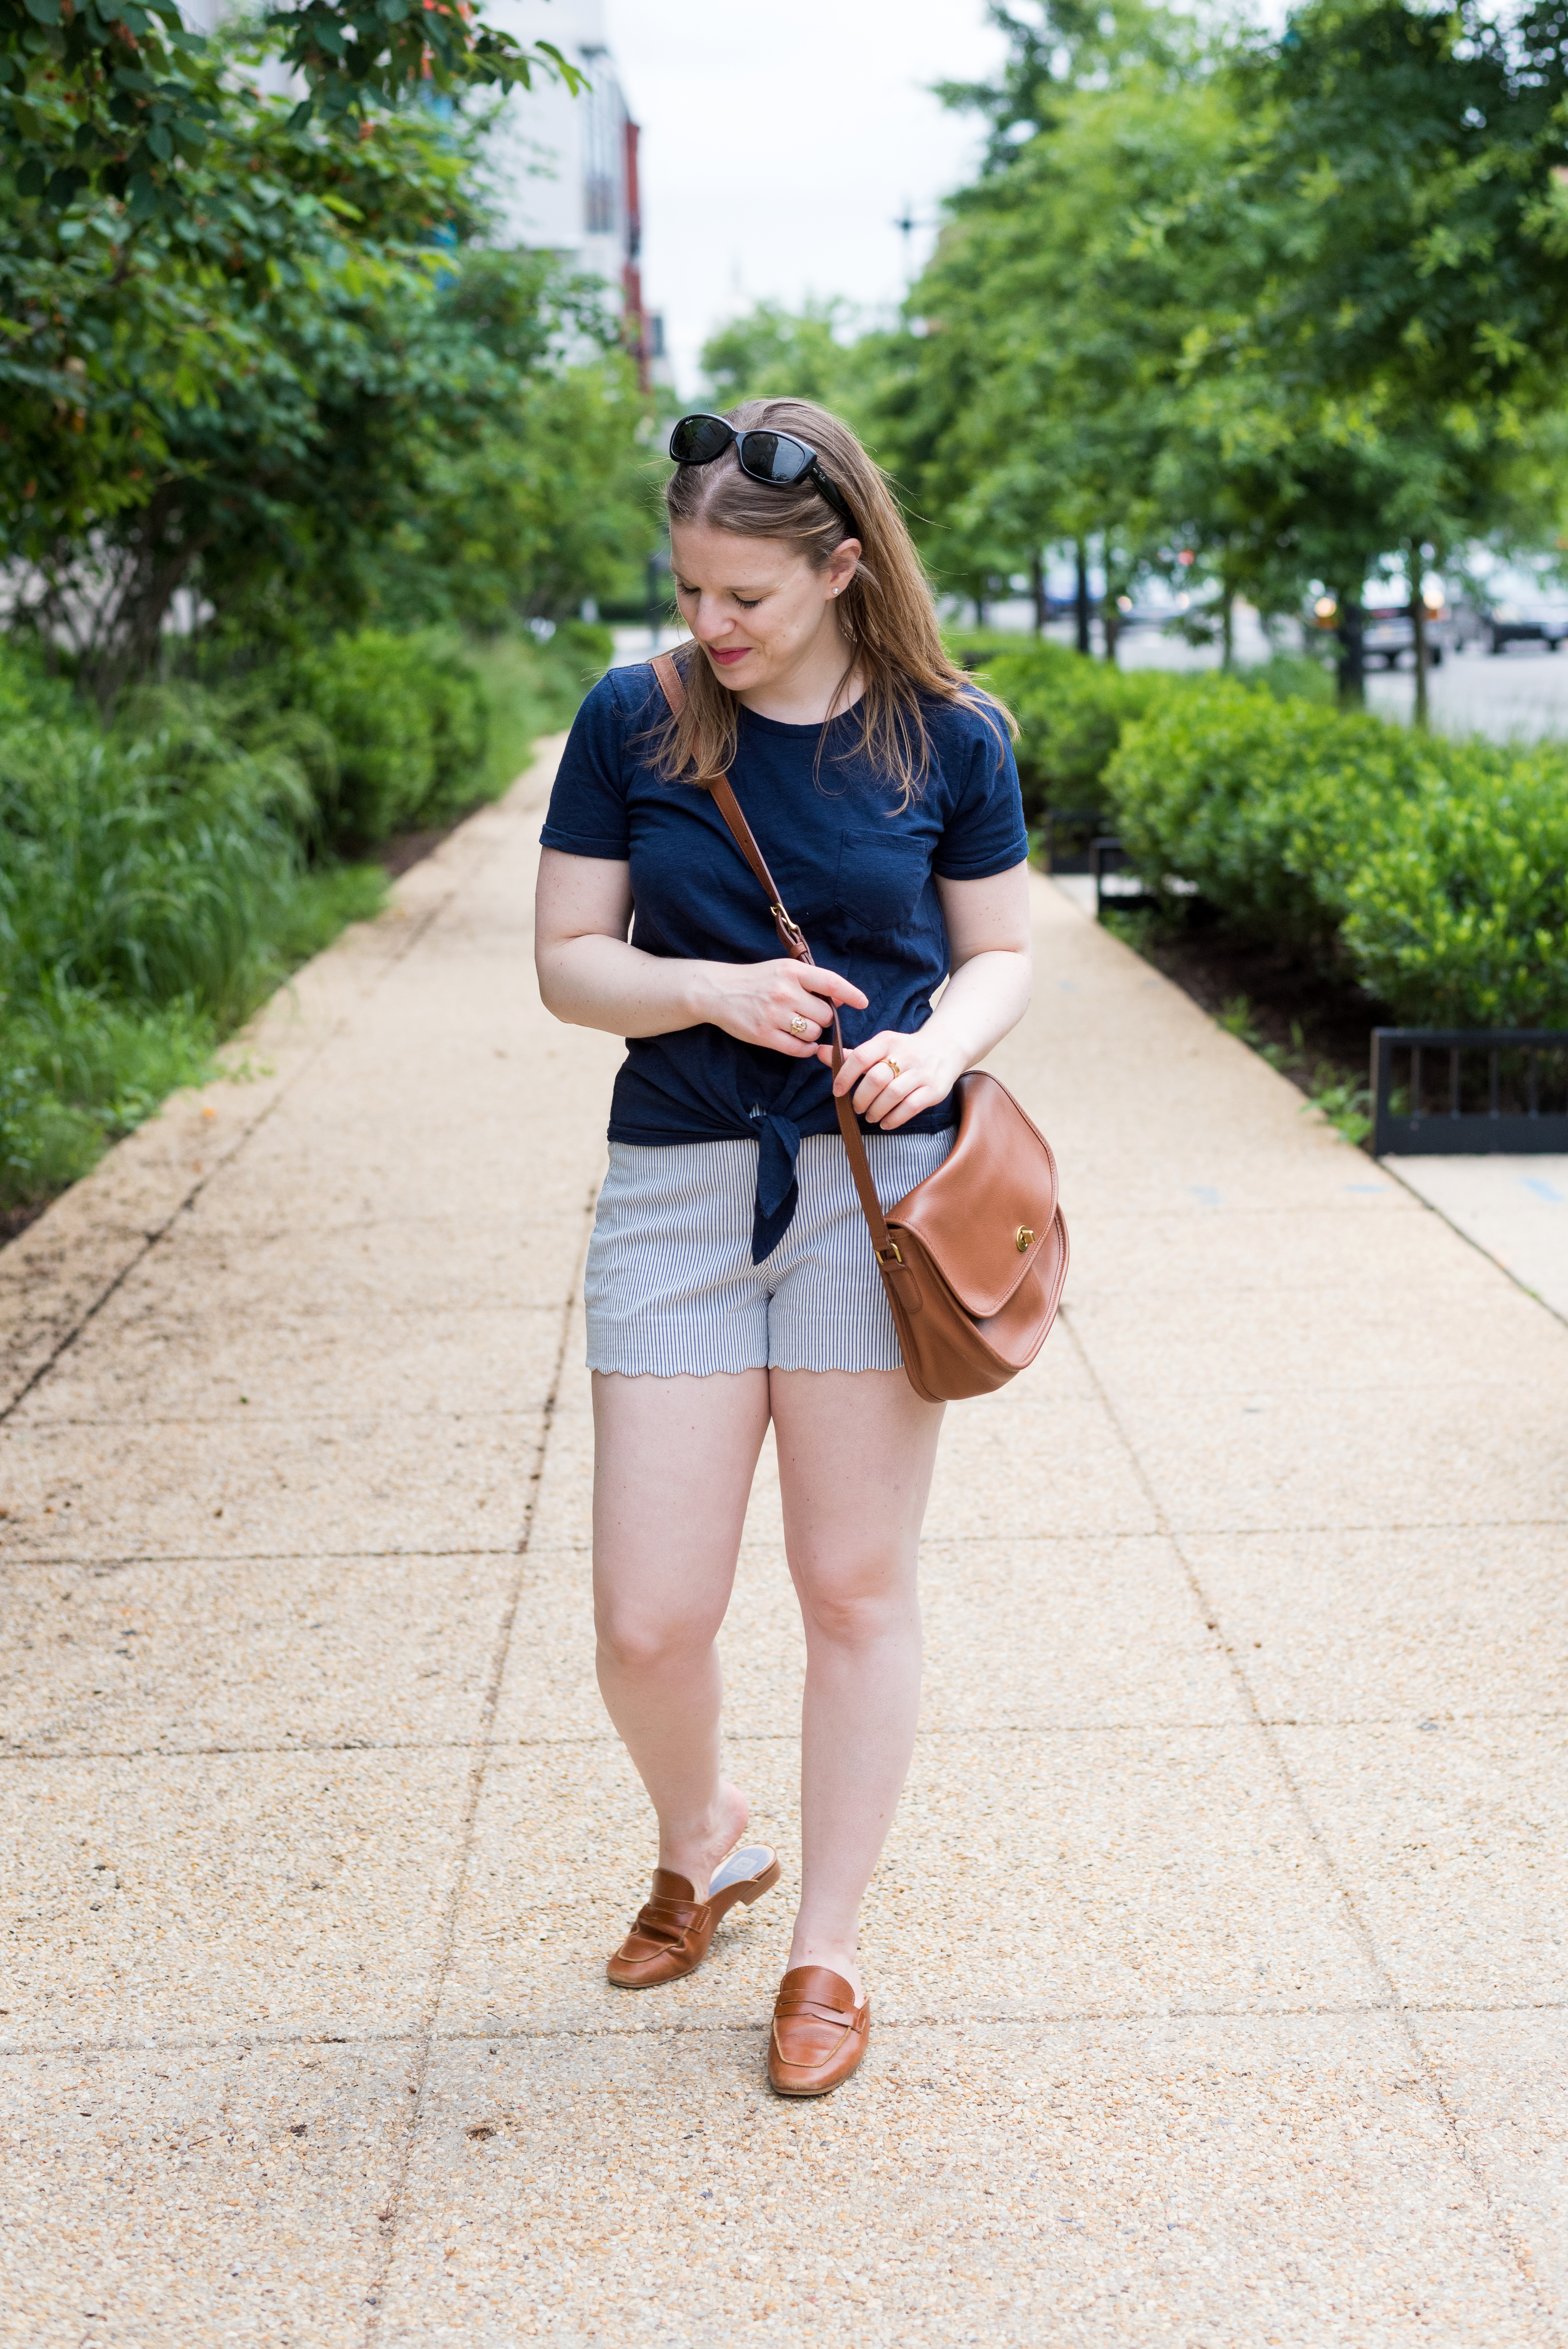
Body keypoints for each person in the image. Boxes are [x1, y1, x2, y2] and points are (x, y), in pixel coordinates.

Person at [533, 398, 1031, 2097]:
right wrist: (711, 991)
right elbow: (567, 959)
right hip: (678, 1187)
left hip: (869, 1195)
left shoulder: (946, 739)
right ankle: (710, 1834)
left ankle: (826, 1943)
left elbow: (999, 957)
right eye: (689, 591)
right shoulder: (634, 719)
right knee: (648, 1620)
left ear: (838, 566)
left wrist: (941, 1051)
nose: (709, 626)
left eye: (743, 595)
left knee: (851, 1583)